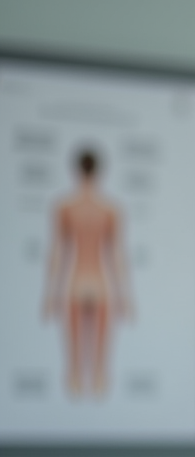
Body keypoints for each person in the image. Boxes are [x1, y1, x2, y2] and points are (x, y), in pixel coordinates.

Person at [41, 148, 132, 398]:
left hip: (76, 282)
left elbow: (58, 254)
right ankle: (99, 380)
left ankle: (76, 381)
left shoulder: (66, 206)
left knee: (74, 355)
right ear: (99, 171)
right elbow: (116, 257)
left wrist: (50, 295)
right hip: (100, 283)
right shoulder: (110, 209)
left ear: (76, 170)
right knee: (101, 354)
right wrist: (125, 296)